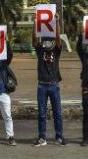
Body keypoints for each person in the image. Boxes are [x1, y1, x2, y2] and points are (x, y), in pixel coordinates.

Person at [32, 16, 66, 147]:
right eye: (45, 39)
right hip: (42, 85)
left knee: (57, 112)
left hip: (53, 84)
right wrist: (35, 24)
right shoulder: (40, 49)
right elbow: (34, 39)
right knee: (41, 113)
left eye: (49, 39)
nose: (47, 41)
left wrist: (57, 22)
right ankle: (42, 137)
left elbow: (58, 38)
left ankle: (59, 136)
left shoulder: (56, 50)